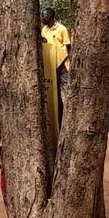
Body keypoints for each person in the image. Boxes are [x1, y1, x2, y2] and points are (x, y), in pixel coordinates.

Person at [40, 8, 71, 147]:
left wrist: (62, 64)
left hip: (62, 67)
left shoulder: (62, 29)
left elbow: (67, 48)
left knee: (63, 96)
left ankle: (64, 122)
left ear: (51, 16)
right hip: (50, 67)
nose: (42, 18)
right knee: (52, 96)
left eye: (45, 16)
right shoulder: (44, 30)